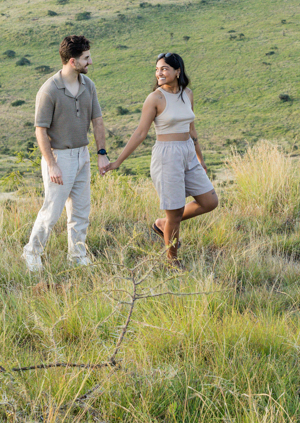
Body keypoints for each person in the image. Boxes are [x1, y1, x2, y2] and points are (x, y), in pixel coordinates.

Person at [106, 52, 218, 265]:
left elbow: (192, 129)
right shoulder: (155, 98)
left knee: (210, 201)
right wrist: (118, 161)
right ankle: (172, 262)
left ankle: (162, 224)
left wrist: (200, 158)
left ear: (178, 71)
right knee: (175, 214)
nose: (159, 73)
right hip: (167, 156)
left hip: (187, 152)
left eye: (164, 68)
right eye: (157, 69)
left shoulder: (188, 94)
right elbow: (140, 133)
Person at [23, 35, 110, 271]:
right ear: (72, 61)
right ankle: (32, 252)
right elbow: (40, 130)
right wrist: (51, 164)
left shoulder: (88, 85)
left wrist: (101, 152)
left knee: (81, 211)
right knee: (52, 211)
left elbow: (97, 121)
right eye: (86, 58)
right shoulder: (49, 90)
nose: (90, 62)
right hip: (60, 157)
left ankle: (78, 256)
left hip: (83, 155)